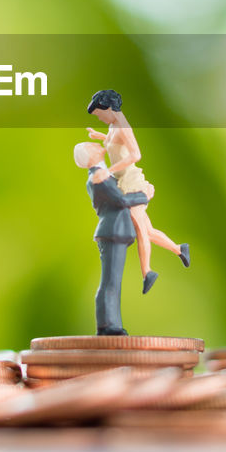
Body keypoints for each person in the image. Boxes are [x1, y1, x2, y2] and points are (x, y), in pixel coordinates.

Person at [86, 89, 190, 294]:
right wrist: (99, 137)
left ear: (108, 108)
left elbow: (135, 154)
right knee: (148, 230)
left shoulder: (124, 126)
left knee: (140, 227)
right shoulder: (113, 125)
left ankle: (147, 271)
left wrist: (109, 170)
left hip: (132, 182)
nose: (99, 117)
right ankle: (179, 249)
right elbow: (113, 143)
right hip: (121, 182)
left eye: (99, 113)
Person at [74, 141, 147, 336]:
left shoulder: (102, 174)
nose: (95, 144)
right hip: (112, 230)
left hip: (115, 230)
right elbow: (120, 201)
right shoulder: (98, 176)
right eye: (91, 145)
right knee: (110, 281)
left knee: (113, 281)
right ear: (90, 156)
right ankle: (108, 326)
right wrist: (143, 196)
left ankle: (112, 323)